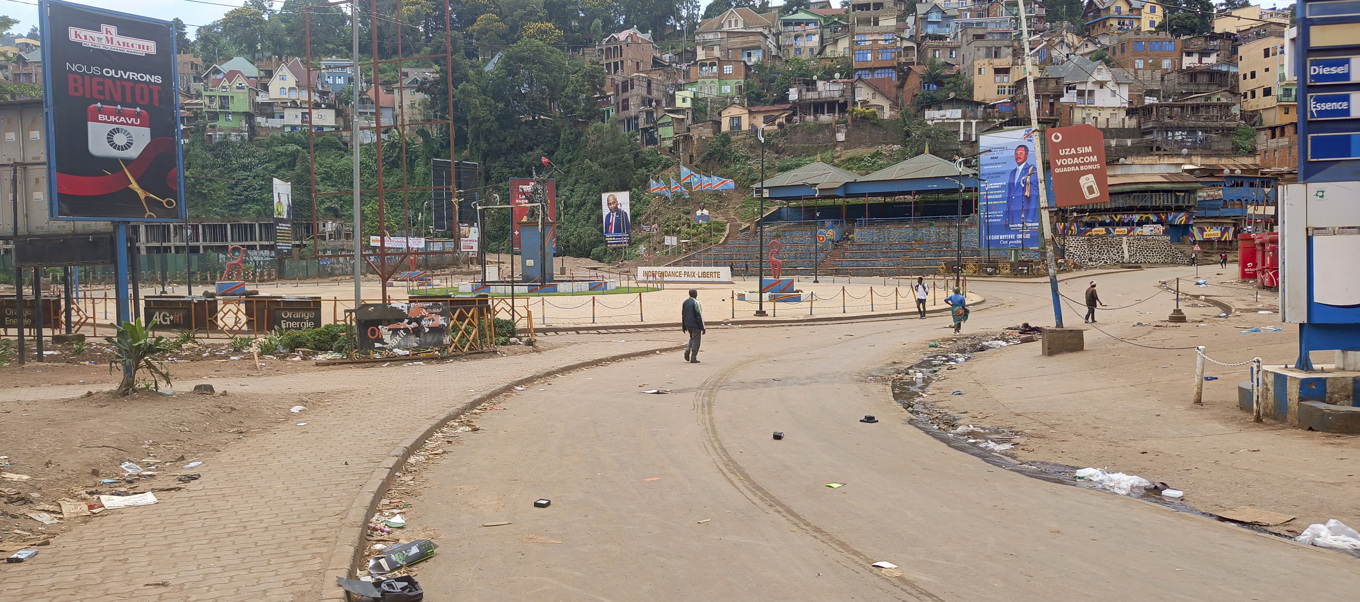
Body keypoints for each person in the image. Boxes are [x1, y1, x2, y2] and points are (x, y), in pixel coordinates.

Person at [1006, 143, 1039, 229]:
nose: (1018, 156)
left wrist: (1030, 218)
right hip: (1012, 217)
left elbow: (1034, 195)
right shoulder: (1012, 173)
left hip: (1023, 216)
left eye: (1021, 153)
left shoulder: (1031, 170)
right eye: (1016, 154)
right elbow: (1009, 196)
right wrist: (1007, 216)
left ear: (1026, 155)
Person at [681, 288, 705, 363]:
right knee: (696, 340)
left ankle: (687, 350)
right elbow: (699, 315)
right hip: (695, 325)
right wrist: (703, 327)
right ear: (695, 294)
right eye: (696, 293)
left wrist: (684, 326)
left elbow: (683, 315)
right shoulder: (696, 302)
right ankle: (693, 357)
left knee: (692, 338)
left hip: (688, 324)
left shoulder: (685, 302)